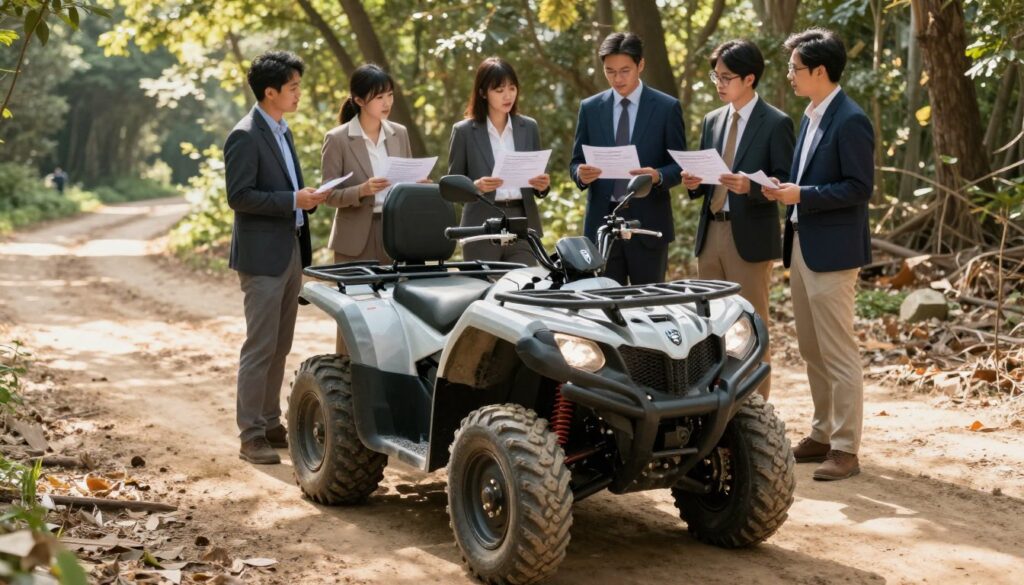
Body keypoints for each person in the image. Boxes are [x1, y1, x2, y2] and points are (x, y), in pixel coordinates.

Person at [762, 28, 874, 481]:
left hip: (833, 250)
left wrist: (801, 194)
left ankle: (846, 449)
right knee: (811, 348)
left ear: (820, 71)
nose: (790, 75)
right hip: (802, 243)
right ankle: (822, 433)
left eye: (795, 68)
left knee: (838, 349)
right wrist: (783, 190)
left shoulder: (850, 119)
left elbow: (859, 187)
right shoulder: (810, 115)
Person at [224, 50, 324, 465]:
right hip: (262, 257)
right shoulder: (245, 134)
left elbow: (289, 192)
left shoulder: (283, 131)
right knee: (260, 346)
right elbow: (240, 196)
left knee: (280, 345)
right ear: (270, 92)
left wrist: (307, 201)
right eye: (293, 87)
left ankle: (269, 422)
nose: (299, 93)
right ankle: (250, 436)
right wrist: (291, 200)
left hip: (291, 250)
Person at [682, 39, 794, 401]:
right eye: (715, 75)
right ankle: (716, 406)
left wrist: (751, 187)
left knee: (751, 325)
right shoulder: (712, 120)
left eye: (726, 76)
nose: (718, 83)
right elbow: (702, 178)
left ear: (749, 78)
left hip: (750, 237)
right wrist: (693, 182)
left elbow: (785, 181)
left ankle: (756, 413)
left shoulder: (776, 123)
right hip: (710, 231)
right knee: (711, 326)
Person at [569, 32, 686, 285]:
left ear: (640, 65)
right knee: (607, 308)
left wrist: (658, 176)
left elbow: (680, 165)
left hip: (648, 223)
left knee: (650, 305)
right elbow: (575, 161)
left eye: (625, 71)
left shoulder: (666, 108)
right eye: (610, 71)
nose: (617, 79)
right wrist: (580, 173)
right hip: (602, 225)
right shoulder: (590, 108)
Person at [448, 57, 550, 264]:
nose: (507, 96)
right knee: (485, 291)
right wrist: (475, 187)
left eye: (512, 88)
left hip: (522, 223)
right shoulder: (464, 131)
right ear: (483, 93)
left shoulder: (529, 127)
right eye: (499, 90)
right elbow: (453, 187)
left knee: (525, 289)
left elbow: (539, 180)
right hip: (481, 223)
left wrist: (542, 186)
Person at [321, 64, 413, 267]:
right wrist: (362, 190)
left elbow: (405, 183)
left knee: (395, 296)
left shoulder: (400, 133)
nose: (387, 102)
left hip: (396, 234)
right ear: (359, 100)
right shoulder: (337, 139)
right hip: (354, 239)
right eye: (379, 97)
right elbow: (328, 196)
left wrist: (416, 186)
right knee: (358, 297)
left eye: (389, 95)